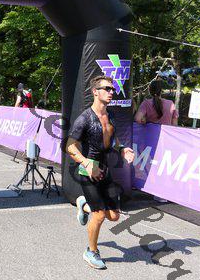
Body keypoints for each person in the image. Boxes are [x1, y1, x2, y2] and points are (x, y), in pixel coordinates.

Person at [66, 75, 135, 270]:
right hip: (88, 170)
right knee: (99, 216)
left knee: (114, 216)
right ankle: (91, 251)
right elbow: (70, 146)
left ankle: (83, 205)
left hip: (105, 169)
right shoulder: (84, 119)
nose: (111, 92)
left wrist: (122, 149)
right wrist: (86, 162)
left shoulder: (111, 115)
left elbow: (114, 140)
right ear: (95, 92)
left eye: (112, 89)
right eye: (107, 89)